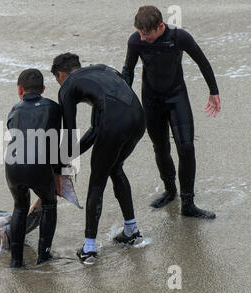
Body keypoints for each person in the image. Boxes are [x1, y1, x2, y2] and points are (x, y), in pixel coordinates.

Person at [122, 5, 221, 219]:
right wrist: (123, 98)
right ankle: (169, 190)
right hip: (151, 100)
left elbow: (202, 62)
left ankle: (188, 203)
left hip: (176, 97)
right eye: (140, 32)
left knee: (186, 148)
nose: (142, 37)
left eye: (146, 34)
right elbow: (128, 70)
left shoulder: (179, 37)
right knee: (161, 147)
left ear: (160, 27)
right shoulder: (136, 41)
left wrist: (213, 91)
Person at [51, 53, 146, 264]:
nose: (58, 84)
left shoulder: (67, 86)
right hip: (139, 119)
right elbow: (95, 130)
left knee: (97, 181)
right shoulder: (103, 69)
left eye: (57, 79)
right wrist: (67, 158)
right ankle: (131, 231)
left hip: (114, 124)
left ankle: (89, 249)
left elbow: (70, 131)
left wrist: (58, 165)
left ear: (61, 74)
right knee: (115, 167)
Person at [5, 69, 62, 268]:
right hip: (38, 165)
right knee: (49, 204)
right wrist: (58, 173)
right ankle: (43, 256)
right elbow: (54, 144)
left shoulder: (14, 109)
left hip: (12, 165)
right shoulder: (54, 108)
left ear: (20, 90)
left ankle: (16, 261)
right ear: (43, 89)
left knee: (20, 207)